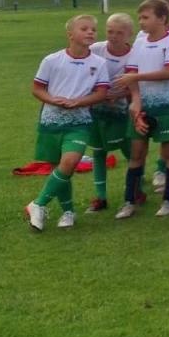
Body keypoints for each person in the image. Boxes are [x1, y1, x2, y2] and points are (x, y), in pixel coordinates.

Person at [24, 15, 113, 231]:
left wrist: (79, 102)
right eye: (84, 29)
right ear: (70, 34)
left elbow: (102, 93)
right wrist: (53, 99)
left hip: (79, 123)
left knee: (70, 162)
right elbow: (37, 88)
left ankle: (38, 204)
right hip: (51, 122)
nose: (91, 32)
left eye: (93, 29)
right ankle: (68, 212)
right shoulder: (52, 60)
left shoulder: (98, 63)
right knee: (59, 167)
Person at [115, 0, 169, 220]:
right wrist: (135, 101)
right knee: (137, 153)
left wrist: (137, 76)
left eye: (145, 17)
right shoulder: (140, 42)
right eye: (140, 18)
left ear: (162, 18)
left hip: (166, 107)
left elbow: (168, 72)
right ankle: (129, 201)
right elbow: (131, 76)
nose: (141, 22)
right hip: (143, 107)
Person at [85, 12, 135, 213]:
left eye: (119, 33)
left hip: (120, 111)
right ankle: (100, 197)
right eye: (110, 31)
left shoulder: (134, 54)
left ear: (129, 34)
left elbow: (137, 81)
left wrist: (120, 94)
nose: (113, 36)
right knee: (98, 152)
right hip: (96, 109)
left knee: (129, 150)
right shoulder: (96, 49)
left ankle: (135, 189)